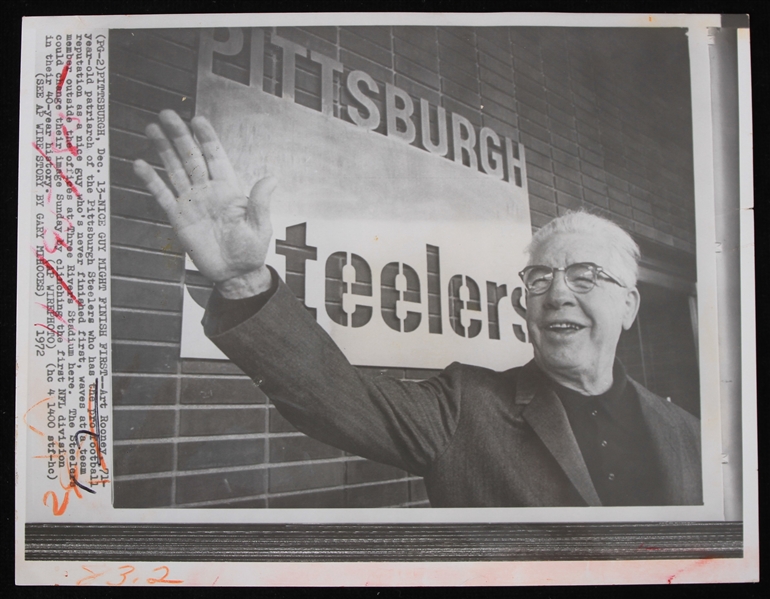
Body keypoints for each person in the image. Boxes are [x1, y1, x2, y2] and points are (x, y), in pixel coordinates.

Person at [134, 109, 702, 507]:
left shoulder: (688, 434)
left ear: (628, 304)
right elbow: (334, 397)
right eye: (540, 278)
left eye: (584, 276)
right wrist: (243, 281)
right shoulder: (465, 407)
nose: (556, 294)